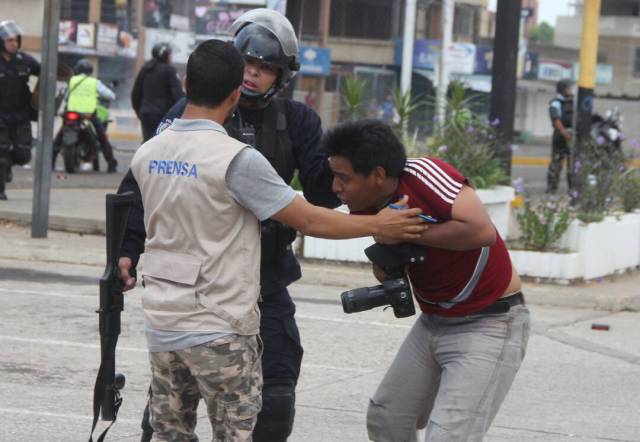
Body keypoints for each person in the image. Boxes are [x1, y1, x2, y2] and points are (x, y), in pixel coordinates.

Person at [117, 39, 427, 441]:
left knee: (169, 433)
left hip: (163, 325)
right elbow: (310, 220)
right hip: (219, 325)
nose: (253, 74)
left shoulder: (149, 153)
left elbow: (131, 207)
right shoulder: (235, 159)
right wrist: (379, 225)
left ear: (185, 82)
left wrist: (124, 253)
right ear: (233, 94)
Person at [132, 9, 340, 442]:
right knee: (167, 410)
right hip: (200, 285)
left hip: (267, 277)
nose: (254, 74)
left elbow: (323, 191)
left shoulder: (297, 121)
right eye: (248, 62)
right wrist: (125, 250)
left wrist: (354, 166)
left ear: (281, 76)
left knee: (276, 395)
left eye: (267, 68)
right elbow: (141, 189)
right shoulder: (190, 114)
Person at [323, 119, 530, 442]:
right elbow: (389, 262)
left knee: (448, 435)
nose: (336, 187)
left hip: (492, 320)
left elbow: (482, 231)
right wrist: (388, 258)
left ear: (378, 175)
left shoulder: (425, 175)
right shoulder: (366, 208)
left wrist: (408, 233)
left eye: (343, 178)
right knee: (387, 418)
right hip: (434, 322)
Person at [0, 20, 40, 200]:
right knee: (1, 151)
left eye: (16, 40)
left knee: (23, 154)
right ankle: (0, 189)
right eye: (10, 41)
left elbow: (46, 72)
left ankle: (7, 164)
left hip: (21, 115)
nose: (14, 44)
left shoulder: (25, 60)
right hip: (1, 115)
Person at [62, 58, 118, 172]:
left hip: (71, 114)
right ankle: (111, 164)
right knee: (102, 138)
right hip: (88, 115)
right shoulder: (94, 82)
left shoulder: (72, 80)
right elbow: (110, 95)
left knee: (60, 135)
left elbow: (65, 97)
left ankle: (51, 161)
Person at [131, 42, 184, 141]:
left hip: (146, 114)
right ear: (164, 55)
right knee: (161, 145)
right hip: (163, 116)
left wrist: (140, 112)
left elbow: (135, 94)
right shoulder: (169, 70)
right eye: (169, 54)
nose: (170, 57)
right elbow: (177, 95)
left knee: (147, 143)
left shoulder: (145, 69)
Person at [546, 79, 574, 193]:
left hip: (572, 135)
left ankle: (573, 188)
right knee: (557, 161)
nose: (570, 90)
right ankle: (552, 187)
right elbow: (556, 119)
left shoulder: (572, 101)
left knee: (572, 163)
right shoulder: (555, 102)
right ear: (563, 89)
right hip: (560, 135)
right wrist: (564, 132)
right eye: (568, 88)